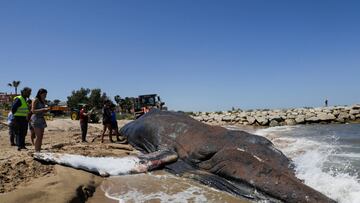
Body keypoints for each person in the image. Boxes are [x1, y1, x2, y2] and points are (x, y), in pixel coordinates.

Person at [11, 87, 32, 151]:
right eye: (28, 92)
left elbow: (26, 109)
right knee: (19, 132)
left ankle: (23, 146)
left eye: (30, 92)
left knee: (23, 132)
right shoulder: (19, 99)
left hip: (24, 118)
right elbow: (13, 109)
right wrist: (15, 117)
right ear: (24, 92)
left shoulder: (25, 99)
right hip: (18, 118)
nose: (29, 93)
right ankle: (19, 146)